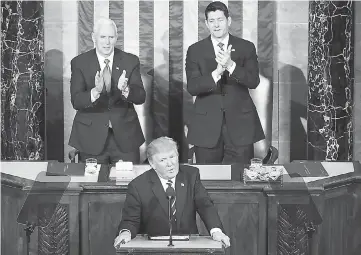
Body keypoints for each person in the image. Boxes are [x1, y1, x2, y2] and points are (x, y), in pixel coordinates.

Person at [113, 136, 230, 248]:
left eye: (172, 157)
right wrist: (125, 233)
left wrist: (216, 231)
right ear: (152, 163)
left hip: (189, 245)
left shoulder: (191, 176)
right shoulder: (138, 185)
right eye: (163, 160)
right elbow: (130, 220)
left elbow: (205, 206)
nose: (170, 164)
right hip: (153, 246)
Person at [185, 1, 265, 164]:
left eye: (220, 20)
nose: (216, 25)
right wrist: (216, 73)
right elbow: (193, 87)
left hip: (240, 126)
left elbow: (253, 81)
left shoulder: (246, 47)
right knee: (207, 180)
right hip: (206, 127)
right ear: (206, 23)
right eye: (212, 21)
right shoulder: (195, 50)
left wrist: (231, 66)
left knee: (241, 180)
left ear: (228, 21)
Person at [69, 18, 145, 164]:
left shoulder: (130, 61)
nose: (107, 42)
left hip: (126, 137)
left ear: (116, 38)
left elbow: (141, 97)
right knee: (91, 183)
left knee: (128, 183)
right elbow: (76, 101)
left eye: (111, 37)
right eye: (102, 37)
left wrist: (126, 90)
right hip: (91, 137)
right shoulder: (79, 63)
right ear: (93, 38)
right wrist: (95, 92)